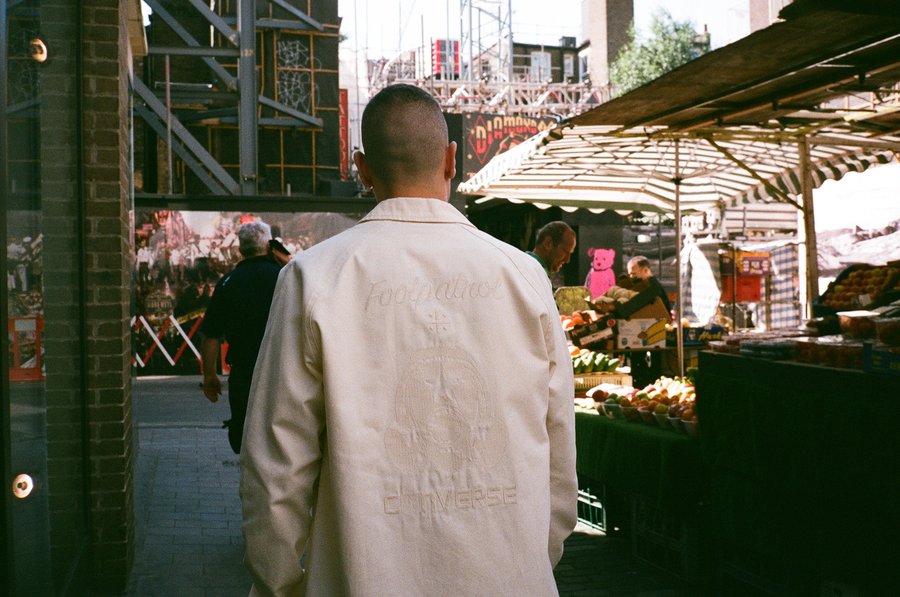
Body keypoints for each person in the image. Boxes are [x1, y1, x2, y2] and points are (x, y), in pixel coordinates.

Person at [240, 83, 578, 596]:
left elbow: (276, 466)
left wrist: (280, 585)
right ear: (451, 160)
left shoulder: (314, 277)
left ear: (362, 168)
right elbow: (558, 449)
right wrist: (534, 558)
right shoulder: (524, 277)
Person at [200, 220, 284, 454]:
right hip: (280, 371)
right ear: (269, 245)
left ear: (240, 249)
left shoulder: (227, 283)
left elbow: (211, 335)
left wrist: (210, 375)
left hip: (243, 373)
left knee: (246, 435)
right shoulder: (283, 277)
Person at [625, 255, 673, 387]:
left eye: (634, 274)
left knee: (651, 363)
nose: (631, 277)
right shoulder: (644, 286)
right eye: (630, 274)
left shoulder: (652, 287)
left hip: (654, 330)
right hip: (644, 330)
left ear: (645, 270)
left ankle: (648, 384)